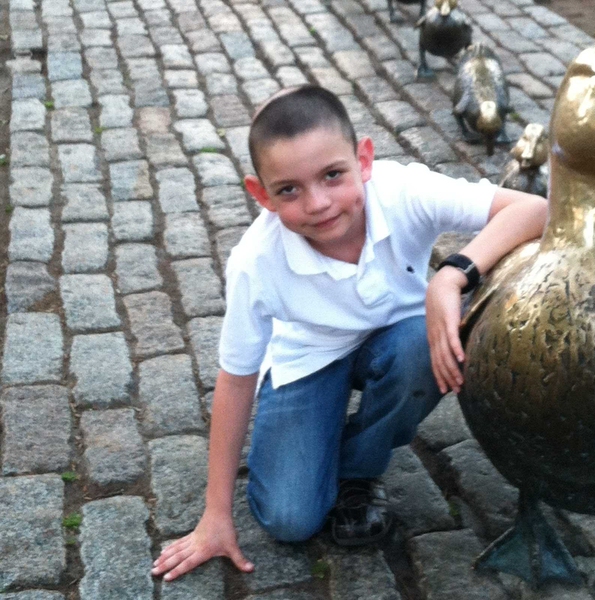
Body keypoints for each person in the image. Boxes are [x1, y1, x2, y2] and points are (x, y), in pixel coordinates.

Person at [151, 85, 548, 581]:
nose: (318, 203)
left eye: (332, 175)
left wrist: (452, 273)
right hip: (308, 357)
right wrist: (216, 514)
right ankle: (312, 437)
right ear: (261, 195)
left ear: (364, 159)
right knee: (290, 520)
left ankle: (360, 469)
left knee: (420, 346)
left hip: (397, 342)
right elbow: (235, 378)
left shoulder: (402, 190)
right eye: (289, 189)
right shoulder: (255, 262)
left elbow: (534, 209)